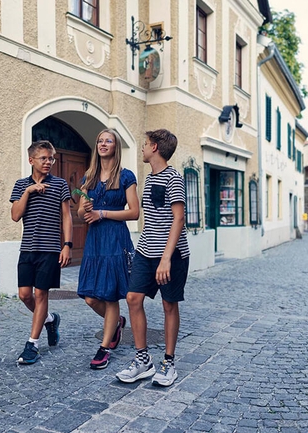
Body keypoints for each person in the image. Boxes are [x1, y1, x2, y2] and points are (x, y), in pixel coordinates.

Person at [115, 129, 190, 387]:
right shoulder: (149, 178)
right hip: (146, 251)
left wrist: (166, 258)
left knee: (169, 305)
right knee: (132, 298)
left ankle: (168, 363)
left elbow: (178, 219)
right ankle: (143, 360)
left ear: (155, 147)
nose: (143, 148)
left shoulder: (174, 179)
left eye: (145, 144)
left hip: (172, 254)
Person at [77, 128, 140, 370]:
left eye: (109, 141)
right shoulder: (88, 177)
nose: (103, 144)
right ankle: (116, 323)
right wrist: (86, 209)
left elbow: (134, 212)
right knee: (91, 297)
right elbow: (82, 212)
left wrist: (102, 212)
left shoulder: (126, 176)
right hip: (94, 241)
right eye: (100, 140)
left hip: (115, 239)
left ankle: (104, 349)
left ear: (116, 146)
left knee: (110, 294)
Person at [10, 140, 73, 364]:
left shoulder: (60, 184)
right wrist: (28, 191)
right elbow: (15, 215)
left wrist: (67, 244)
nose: (48, 162)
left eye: (51, 158)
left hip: (49, 249)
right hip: (27, 248)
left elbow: (66, 215)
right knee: (25, 295)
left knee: (41, 294)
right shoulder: (20, 185)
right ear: (31, 160)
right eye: (44, 158)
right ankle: (49, 320)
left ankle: (32, 345)